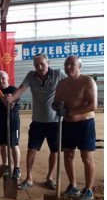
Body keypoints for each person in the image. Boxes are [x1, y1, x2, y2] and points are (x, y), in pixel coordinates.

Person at [6, 54, 66, 190]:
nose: (39, 67)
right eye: (36, 65)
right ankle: (29, 178)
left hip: (55, 121)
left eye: (42, 64)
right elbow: (21, 89)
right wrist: (12, 98)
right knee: (31, 149)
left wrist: (66, 102)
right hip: (37, 121)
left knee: (54, 151)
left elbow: (70, 86)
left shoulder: (58, 74)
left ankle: (50, 177)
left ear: (48, 62)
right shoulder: (31, 76)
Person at [52, 55, 97, 200]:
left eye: (72, 64)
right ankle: (73, 186)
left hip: (85, 124)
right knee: (68, 156)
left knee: (86, 158)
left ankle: (88, 189)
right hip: (67, 125)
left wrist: (71, 112)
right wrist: (57, 108)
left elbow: (93, 105)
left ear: (79, 66)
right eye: (66, 65)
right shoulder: (61, 84)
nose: (68, 67)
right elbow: (55, 102)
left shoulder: (87, 81)